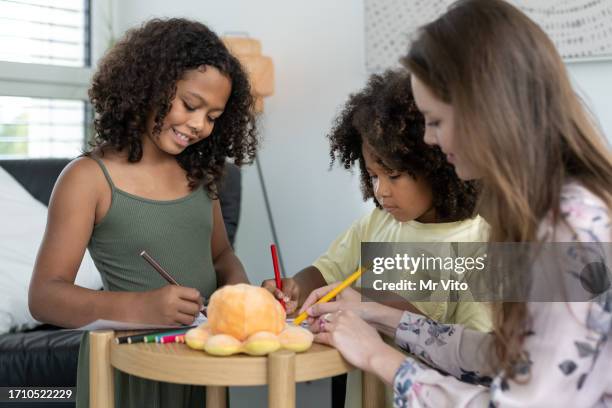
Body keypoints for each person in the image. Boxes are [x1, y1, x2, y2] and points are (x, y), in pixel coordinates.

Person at [303, 0, 612, 406]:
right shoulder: (552, 211)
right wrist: (378, 315)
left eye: (436, 121)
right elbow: (507, 358)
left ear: (485, 109)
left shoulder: (569, 226)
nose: (429, 140)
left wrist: (380, 357)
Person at [28, 18, 258, 407]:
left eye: (214, 117)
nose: (200, 125)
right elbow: (45, 296)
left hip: (203, 363)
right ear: (150, 85)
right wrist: (143, 306)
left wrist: (240, 295)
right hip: (130, 369)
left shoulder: (201, 173)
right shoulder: (88, 178)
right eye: (190, 105)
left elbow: (221, 257)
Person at [264, 69, 491, 408]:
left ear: (437, 164)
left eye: (394, 175)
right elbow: (326, 273)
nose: (380, 190)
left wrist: (379, 304)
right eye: (372, 175)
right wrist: (294, 287)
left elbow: (477, 355)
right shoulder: (376, 224)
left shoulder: (482, 240)